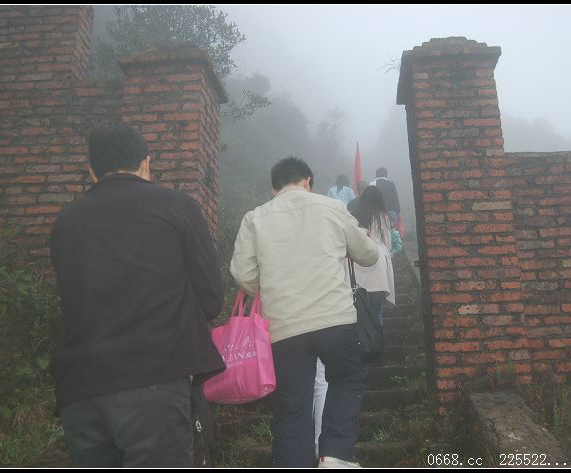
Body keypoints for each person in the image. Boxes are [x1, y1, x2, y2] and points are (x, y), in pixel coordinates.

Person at [49, 123, 225, 467]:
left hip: (81, 392)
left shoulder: (65, 222)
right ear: (146, 163)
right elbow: (210, 298)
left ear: (91, 170)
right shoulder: (177, 207)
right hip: (154, 382)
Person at [230, 157, 378, 468]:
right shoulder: (332, 207)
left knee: (291, 407)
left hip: (284, 328)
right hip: (334, 320)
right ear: (308, 180)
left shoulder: (255, 218)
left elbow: (243, 275)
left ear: (274, 188)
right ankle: (336, 454)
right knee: (347, 378)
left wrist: (269, 286)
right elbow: (368, 256)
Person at [350, 186, 396, 326]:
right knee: (377, 312)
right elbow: (387, 242)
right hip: (378, 263)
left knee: (360, 312)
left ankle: (362, 339)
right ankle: (376, 338)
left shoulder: (354, 215)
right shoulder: (383, 217)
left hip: (358, 262)